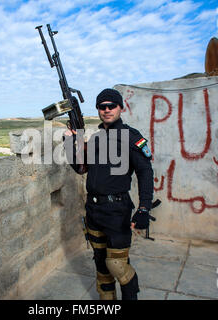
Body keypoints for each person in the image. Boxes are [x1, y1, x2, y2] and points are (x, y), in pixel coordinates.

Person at [63, 88, 154, 300]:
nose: (106, 110)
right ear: (98, 110)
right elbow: (81, 168)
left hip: (117, 211)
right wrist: (70, 143)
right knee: (101, 264)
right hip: (94, 210)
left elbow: (145, 172)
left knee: (117, 265)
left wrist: (144, 207)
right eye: (102, 106)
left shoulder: (131, 137)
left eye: (111, 106)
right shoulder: (94, 140)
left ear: (121, 107)